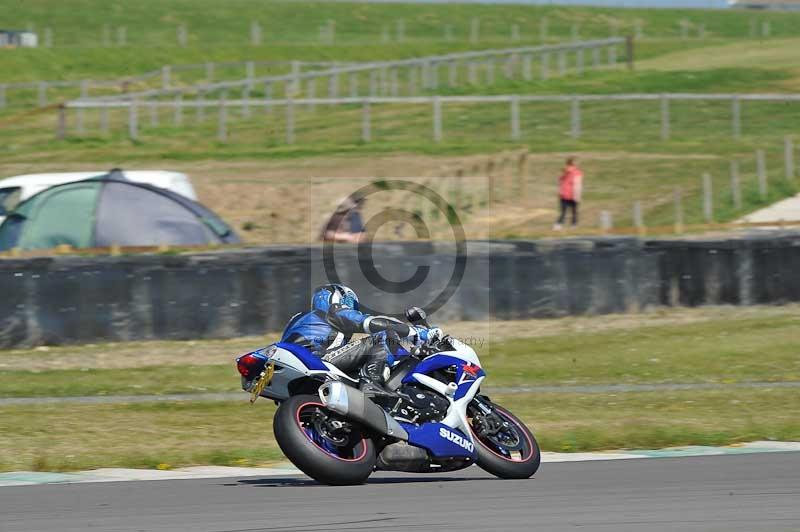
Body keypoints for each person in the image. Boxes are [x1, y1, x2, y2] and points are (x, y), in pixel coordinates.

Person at [280, 284, 441, 393]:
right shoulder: (332, 311)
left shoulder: (301, 320)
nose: (351, 307)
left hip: (298, 377)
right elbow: (369, 322)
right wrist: (415, 332)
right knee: (384, 336)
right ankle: (372, 384)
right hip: (317, 360)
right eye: (349, 302)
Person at [554, 157, 583, 230]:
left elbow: (560, 181)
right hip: (572, 195)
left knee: (563, 212)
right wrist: (578, 196)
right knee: (574, 212)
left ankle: (558, 225)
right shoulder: (577, 172)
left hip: (564, 194)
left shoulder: (564, 171)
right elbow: (577, 185)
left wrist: (560, 191)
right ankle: (573, 225)